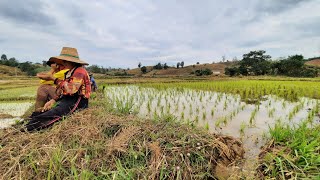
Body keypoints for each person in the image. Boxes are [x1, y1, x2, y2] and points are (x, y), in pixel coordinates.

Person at [23, 47, 91, 132]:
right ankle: (27, 124)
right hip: (67, 99)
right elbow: (64, 90)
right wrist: (53, 100)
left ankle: (26, 129)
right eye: (63, 61)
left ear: (72, 61)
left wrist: (53, 79)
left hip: (78, 101)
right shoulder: (68, 72)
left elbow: (71, 90)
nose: (63, 63)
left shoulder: (80, 71)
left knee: (49, 116)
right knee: (38, 114)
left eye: (65, 61)